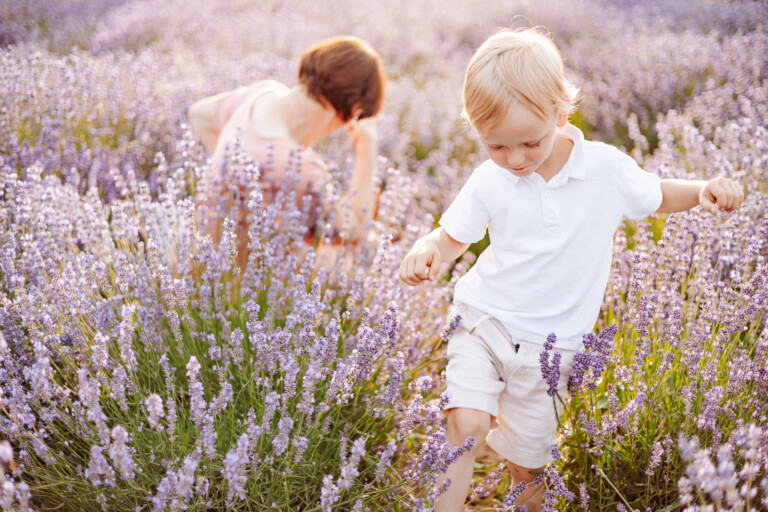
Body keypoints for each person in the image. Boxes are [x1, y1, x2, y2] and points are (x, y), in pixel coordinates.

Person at [398, 27, 744, 512]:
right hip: (484, 322)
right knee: (465, 426)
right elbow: (452, 236)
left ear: (562, 114)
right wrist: (428, 248)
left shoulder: (605, 168)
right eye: (496, 146)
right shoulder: (489, 179)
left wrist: (704, 187)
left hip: (553, 348)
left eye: (529, 143)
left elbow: (658, 194)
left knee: (529, 466)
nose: (513, 159)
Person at [188, 36, 386, 267]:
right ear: (354, 111)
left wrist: (228, 170)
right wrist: (367, 148)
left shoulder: (261, 94)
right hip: (244, 288)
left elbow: (199, 113)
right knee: (361, 258)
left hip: (194, 258)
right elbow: (355, 228)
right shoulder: (299, 168)